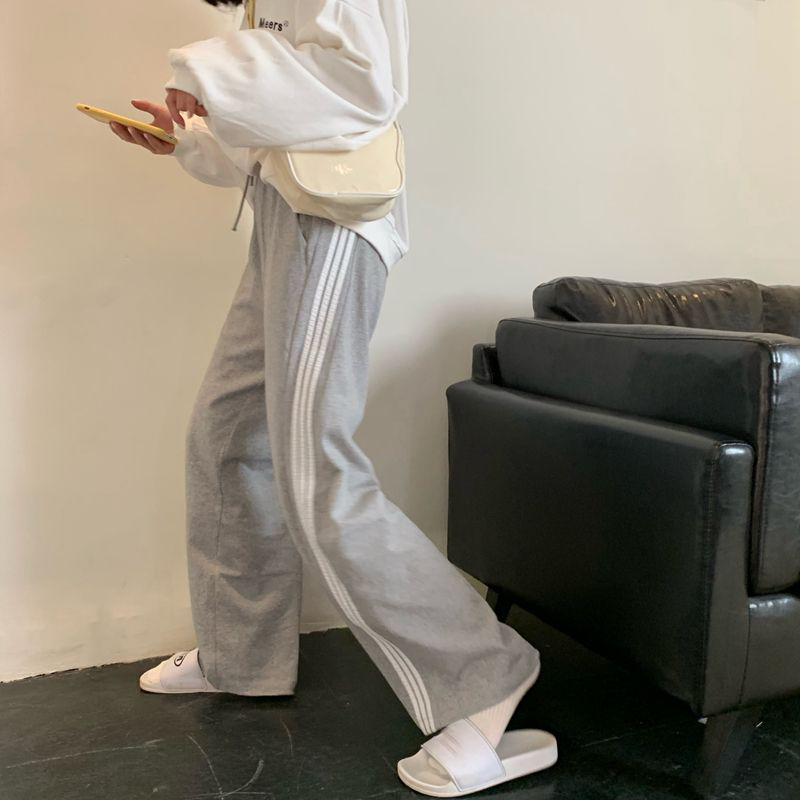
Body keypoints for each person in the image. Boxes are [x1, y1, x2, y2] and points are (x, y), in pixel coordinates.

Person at [108, 0, 555, 794]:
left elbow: (364, 86)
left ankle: (484, 681)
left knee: (316, 466)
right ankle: (240, 655)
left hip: (335, 226)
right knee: (227, 435)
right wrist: (194, 140)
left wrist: (203, 72)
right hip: (285, 216)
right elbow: (285, 132)